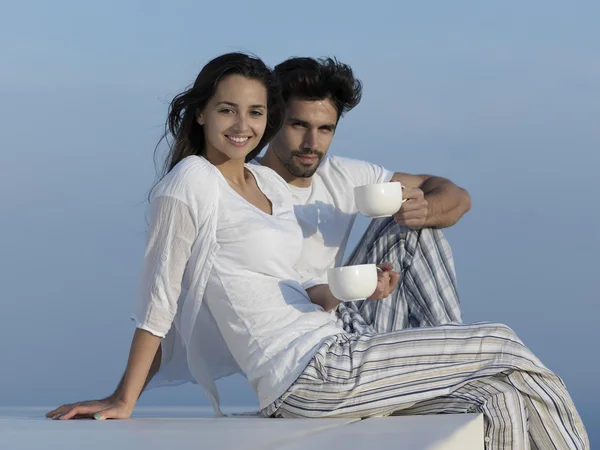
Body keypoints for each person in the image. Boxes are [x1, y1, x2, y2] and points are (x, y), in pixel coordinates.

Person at [46, 52, 589, 449]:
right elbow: (160, 299)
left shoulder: (268, 188)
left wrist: (348, 288)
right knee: (501, 342)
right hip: (309, 374)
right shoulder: (190, 182)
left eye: (255, 113)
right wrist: (123, 398)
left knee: (500, 397)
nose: (243, 126)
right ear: (201, 114)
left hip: (332, 348)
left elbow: (291, 286)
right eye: (228, 110)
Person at [258, 56, 471, 335]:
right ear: (272, 121)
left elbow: (459, 197)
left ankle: (448, 346)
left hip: (345, 319)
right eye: (299, 125)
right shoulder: (248, 185)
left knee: (409, 220)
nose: (312, 144)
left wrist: (424, 210)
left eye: (325, 129)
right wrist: (352, 287)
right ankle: (451, 356)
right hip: (296, 336)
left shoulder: (342, 175)